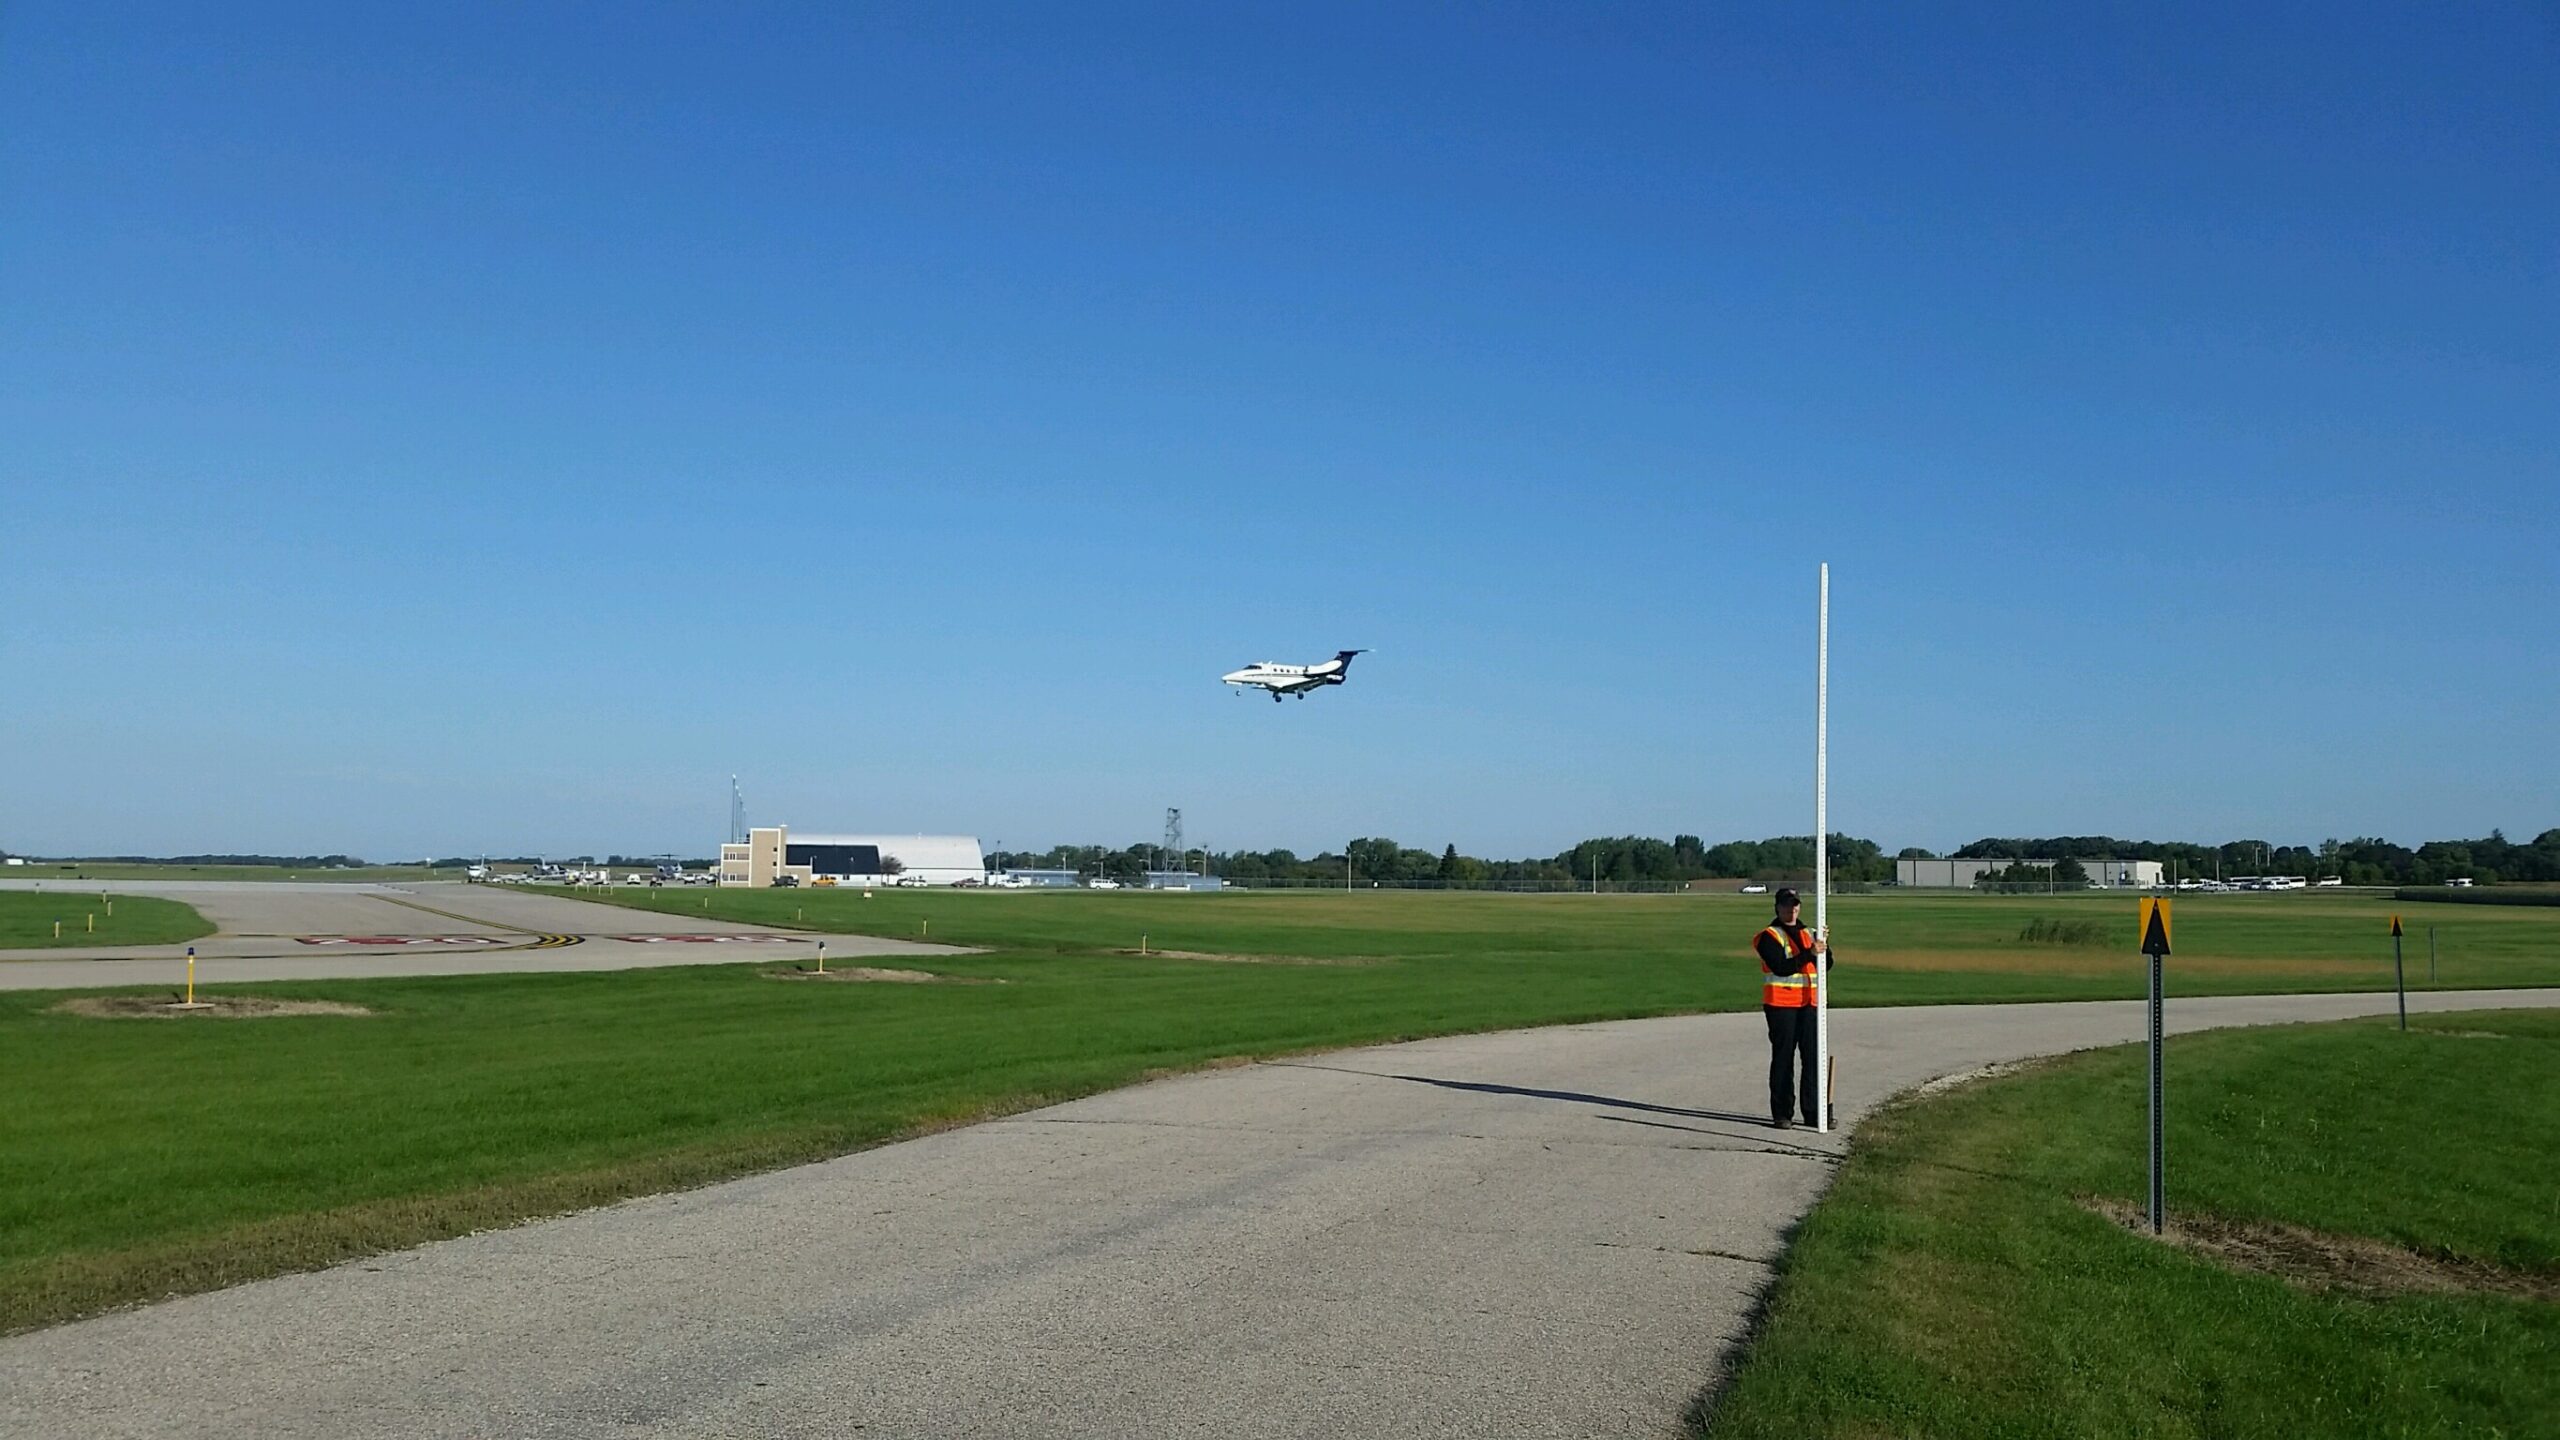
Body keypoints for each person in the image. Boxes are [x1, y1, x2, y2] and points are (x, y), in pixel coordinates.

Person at [1753, 887, 1829, 1128]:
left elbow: (1827, 964)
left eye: (1795, 904)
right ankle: (1782, 1113)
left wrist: (1823, 945)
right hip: (1781, 1005)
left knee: (1813, 1058)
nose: (1791, 909)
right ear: (1777, 907)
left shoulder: (1811, 933)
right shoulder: (1769, 936)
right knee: (1784, 1059)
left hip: (1809, 1004)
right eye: (1786, 904)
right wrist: (1809, 953)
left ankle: (1815, 1112)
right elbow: (1781, 967)